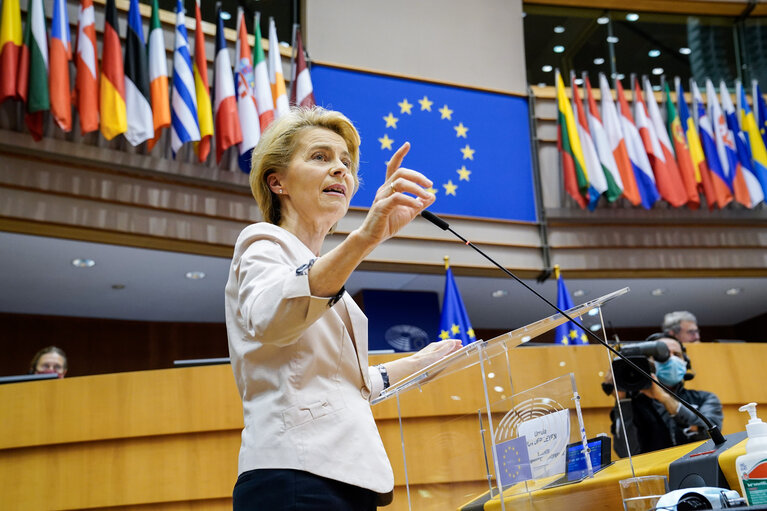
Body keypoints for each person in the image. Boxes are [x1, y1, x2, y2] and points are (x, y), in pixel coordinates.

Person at [225, 107, 462, 510]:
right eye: (320, 157)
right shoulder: (262, 244)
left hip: (340, 479)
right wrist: (367, 236)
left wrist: (418, 364)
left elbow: (333, 383)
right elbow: (272, 319)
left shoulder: (322, 275)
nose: (339, 169)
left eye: (345, 163)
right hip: (295, 478)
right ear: (277, 181)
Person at [608, 335, 722, 458]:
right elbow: (626, 454)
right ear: (648, 362)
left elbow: (708, 435)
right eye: (662, 355)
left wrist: (665, 398)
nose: (671, 359)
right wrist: (623, 401)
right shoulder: (633, 406)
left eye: (677, 354)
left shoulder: (705, 399)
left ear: (686, 361)